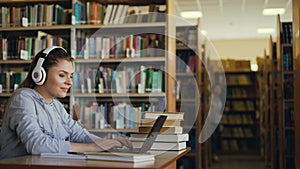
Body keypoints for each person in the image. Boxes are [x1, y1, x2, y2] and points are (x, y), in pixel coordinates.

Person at [0, 46, 132, 160]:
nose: (69, 82)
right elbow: (37, 144)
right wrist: (91, 147)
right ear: (40, 74)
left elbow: (78, 133)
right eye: (62, 75)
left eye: (71, 76)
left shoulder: (55, 104)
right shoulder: (23, 98)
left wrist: (107, 143)